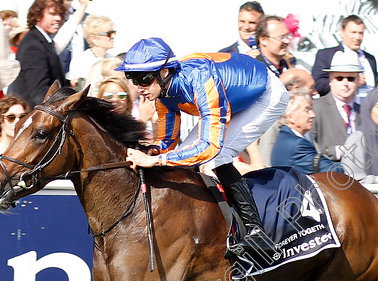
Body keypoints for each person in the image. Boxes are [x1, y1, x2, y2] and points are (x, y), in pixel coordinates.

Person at [120, 38, 287, 260]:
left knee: (218, 157)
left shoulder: (201, 82)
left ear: (166, 72)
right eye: (133, 79)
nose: (139, 88)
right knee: (182, 159)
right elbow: (167, 142)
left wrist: (156, 161)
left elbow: (209, 148)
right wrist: (152, 153)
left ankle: (257, 233)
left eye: (144, 78)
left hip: (265, 95)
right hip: (229, 98)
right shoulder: (162, 94)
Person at [8, 0, 69, 107]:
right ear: (37, 16)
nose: (58, 18)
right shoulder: (33, 45)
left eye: (60, 14)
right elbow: (39, 93)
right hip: (37, 116)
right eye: (52, 14)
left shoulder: (42, 41)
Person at [311, 50, 361, 171]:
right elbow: (307, 148)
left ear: (358, 80)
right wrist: (337, 151)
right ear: (330, 80)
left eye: (350, 78)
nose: (345, 83)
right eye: (339, 78)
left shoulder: (364, 111)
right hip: (329, 178)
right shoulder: (315, 108)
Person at [311, 15, 377, 100]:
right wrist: (350, 82)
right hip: (339, 108)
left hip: (367, 109)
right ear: (342, 32)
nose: (357, 37)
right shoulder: (326, 55)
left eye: (360, 33)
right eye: (353, 32)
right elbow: (318, 84)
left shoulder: (370, 59)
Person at [270, 91, 317, 173]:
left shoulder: (283, 136)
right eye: (307, 110)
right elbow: (331, 170)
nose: (313, 115)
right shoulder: (298, 144)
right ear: (291, 117)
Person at [68, 15, 115, 88]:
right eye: (109, 34)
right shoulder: (81, 60)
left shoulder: (113, 59)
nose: (112, 37)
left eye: (113, 33)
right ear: (94, 39)